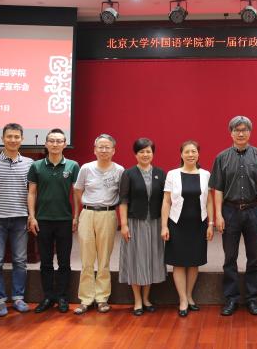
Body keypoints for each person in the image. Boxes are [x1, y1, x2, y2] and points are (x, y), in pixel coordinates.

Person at [210, 116, 257, 316]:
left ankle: (253, 299)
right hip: (229, 211)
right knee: (230, 257)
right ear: (231, 133)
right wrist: (218, 215)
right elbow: (218, 188)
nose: (240, 133)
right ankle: (231, 299)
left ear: (250, 132)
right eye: (236, 130)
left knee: (253, 257)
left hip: (254, 210)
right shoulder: (221, 158)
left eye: (244, 130)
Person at [0, 123, 34, 317]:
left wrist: (31, 215)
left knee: (20, 260)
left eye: (16, 136)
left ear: (22, 139)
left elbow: (32, 192)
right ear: (2, 139)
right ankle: (0, 301)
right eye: (9, 136)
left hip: (20, 219)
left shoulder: (29, 163)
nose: (13, 140)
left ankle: (18, 298)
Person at [27, 128, 80, 313]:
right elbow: (31, 193)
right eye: (51, 141)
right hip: (42, 220)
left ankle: (63, 297)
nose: (55, 144)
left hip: (64, 220)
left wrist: (76, 216)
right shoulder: (36, 166)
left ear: (65, 144)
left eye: (59, 141)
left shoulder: (73, 166)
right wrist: (32, 216)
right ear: (46, 144)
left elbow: (76, 193)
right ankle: (48, 296)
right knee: (46, 262)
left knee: (64, 262)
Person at [161, 140, 214, 317]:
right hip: (177, 224)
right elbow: (166, 202)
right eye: (187, 152)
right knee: (178, 262)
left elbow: (209, 201)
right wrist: (164, 226)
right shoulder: (172, 174)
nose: (191, 155)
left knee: (193, 262)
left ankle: (189, 295)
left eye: (194, 152)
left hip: (198, 224)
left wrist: (211, 224)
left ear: (198, 154)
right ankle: (182, 299)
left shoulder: (206, 174)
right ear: (181, 154)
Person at [72, 134, 124, 315]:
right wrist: (79, 214)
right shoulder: (86, 168)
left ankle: (102, 298)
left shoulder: (119, 170)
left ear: (113, 150)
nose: (103, 150)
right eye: (100, 147)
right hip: (87, 214)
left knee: (104, 259)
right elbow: (78, 190)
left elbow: (122, 195)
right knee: (86, 259)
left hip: (108, 214)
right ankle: (86, 299)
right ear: (94, 150)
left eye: (107, 147)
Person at [118, 137, 166, 316]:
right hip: (135, 223)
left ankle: (146, 298)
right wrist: (124, 225)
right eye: (141, 151)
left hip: (155, 223)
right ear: (135, 154)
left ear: (153, 153)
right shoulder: (128, 174)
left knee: (151, 260)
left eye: (148, 151)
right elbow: (123, 200)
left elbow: (166, 201)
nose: (145, 154)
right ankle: (137, 300)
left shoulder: (161, 174)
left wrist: (165, 225)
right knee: (136, 261)